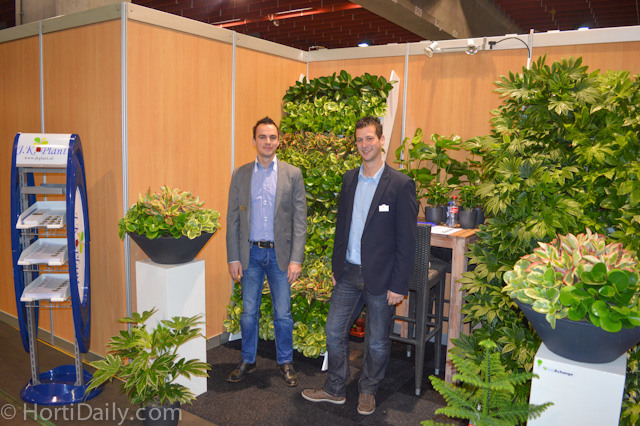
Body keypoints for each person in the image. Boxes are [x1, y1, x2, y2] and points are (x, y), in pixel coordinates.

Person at [301, 116, 418, 415]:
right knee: (333, 332)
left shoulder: (401, 185)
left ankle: (368, 391)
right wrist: (336, 267)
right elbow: (342, 225)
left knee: (376, 343)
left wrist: (398, 284)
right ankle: (335, 388)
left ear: (381, 140)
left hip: (382, 278)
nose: (364, 144)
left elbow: (407, 241)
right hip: (348, 273)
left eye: (369, 138)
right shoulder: (349, 179)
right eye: (359, 140)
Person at [226, 116, 307, 386]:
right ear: (254, 141)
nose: (268, 142)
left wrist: (296, 259)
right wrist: (233, 257)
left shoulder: (292, 174)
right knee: (249, 313)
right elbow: (233, 220)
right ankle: (248, 360)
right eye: (262, 137)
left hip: (280, 257)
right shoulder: (240, 175)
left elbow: (300, 221)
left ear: (278, 141)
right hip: (249, 255)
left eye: (272, 137)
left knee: (283, 314)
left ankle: (285, 362)